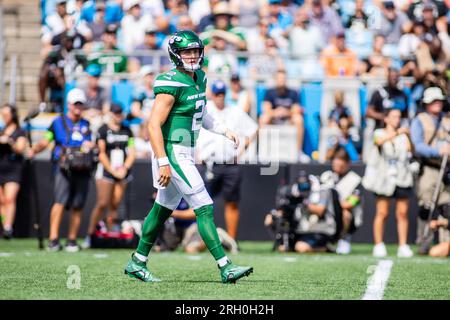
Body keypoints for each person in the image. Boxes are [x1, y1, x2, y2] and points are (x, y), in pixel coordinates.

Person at [123, 30, 253, 283]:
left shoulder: (199, 77)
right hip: (171, 151)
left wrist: (224, 129)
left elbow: (200, 113)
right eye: (186, 51)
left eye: (195, 50)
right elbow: (152, 126)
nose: (192, 56)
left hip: (184, 151)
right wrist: (162, 161)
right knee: (204, 206)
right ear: (175, 55)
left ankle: (137, 262)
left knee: (161, 210)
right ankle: (225, 267)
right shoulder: (170, 82)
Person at [29, 88, 94, 252]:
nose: (78, 107)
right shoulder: (58, 122)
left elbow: (91, 143)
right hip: (63, 168)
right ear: (69, 105)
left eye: (81, 104)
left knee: (78, 205)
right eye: (76, 104)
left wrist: (90, 146)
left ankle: (72, 240)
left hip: (83, 168)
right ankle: (53, 239)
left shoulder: (86, 124)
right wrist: (35, 149)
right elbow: (47, 140)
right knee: (60, 202)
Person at [196, 80, 258, 241]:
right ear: (212, 94)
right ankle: (203, 240)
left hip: (230, 162)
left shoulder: (235, 111)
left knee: (231, 201)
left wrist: (242, 151)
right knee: (202, 204)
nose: (219, 97)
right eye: (217, 94)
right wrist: (196, 152)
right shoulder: (205, 109)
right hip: (208, 162)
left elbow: (254, 130)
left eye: (222, 94)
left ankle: (231, 240)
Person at [363, 108, 415, 258]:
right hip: (384, 178)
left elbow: (412, 150)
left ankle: (403, 245)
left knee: (402, 212)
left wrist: (408, 136)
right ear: (386, 119)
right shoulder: (379, 133)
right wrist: (398, 133)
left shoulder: (403, 136)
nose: (397, 119)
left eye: (399, 116)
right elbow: (378, 142)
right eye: (393, 116)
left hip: (401, 176)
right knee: (382, 212)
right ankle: (379, 244)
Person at [84, 103, 136, 249]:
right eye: (116, 113)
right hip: (107, 171)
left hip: (122, 172)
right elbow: (101, 153)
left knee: (115, 204)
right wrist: (113, 170)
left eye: (120, 113)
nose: (119, 116)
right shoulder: (103, 130)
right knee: (102, 203)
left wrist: (124, 168)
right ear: (111, 114)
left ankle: (110, 233)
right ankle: (90, 235)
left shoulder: (127, 130)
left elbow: (132, 152)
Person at [410, 86, 450, 254]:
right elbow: (417, 146)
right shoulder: (420, 120)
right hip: (428, 168)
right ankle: (424, 240)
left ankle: (444, 242)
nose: (437, 104)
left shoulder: (446, 120)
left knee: (446, 206)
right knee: (427, 205)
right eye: (434, 101)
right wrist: (437, 151)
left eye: (439, 100)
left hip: (446, 169)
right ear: (427, 103)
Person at [319, 147, 363, 254]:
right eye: (336, 164)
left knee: (346, 214)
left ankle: (344, 239)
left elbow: (351, 203)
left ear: (347, 164)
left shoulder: (355, 179)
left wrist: (333, 206)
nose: (338, 167)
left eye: (341, 165)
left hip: (345, 215)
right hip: (326, 212)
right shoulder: (326, 176)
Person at [259, 69, 307, 162]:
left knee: (299, 119)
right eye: (279, 78)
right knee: (263, 118)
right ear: (275, 79)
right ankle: (261, 150)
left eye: (283, 78)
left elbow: (296, 109)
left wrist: (286, 112)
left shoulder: (293, 93)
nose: (281, 80)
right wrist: (276, 112)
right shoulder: (269, 92)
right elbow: (266, 109)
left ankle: (299, 152)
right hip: (273, 119)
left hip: (288, 119)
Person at [0, 105, 27, 239]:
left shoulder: (20, 131)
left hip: (13, 168)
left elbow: (20, 149)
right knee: (1, 200)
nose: (4, 117)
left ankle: (8, 227)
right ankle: (4, 225)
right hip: (1, 167)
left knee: (9, 199)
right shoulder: (2, 130)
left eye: (6, 114)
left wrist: (9, 141)